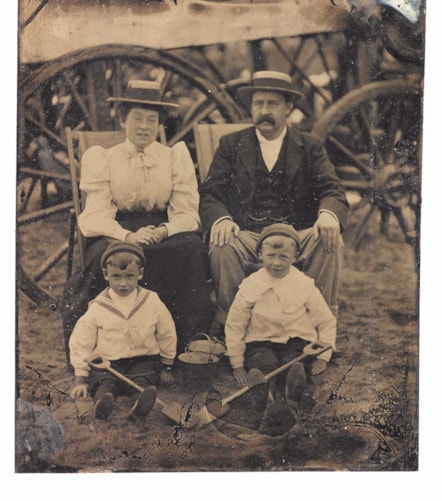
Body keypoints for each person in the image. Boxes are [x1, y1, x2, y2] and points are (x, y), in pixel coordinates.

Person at [61, 80, 213, 357]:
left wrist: (165, 231)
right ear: (122, 121)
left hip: (163, 228)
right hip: (117, 229)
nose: (144, 126)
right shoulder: (104, 158)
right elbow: (94, 216)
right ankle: (106, 345)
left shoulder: (173, 157)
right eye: (137, 119)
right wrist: (128, 237)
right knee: (108, 256)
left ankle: (184, 343)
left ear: (159, 124)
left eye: (151, 120)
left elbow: (188, 213)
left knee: (191, 247)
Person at [199, 70, 349, 334]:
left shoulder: (309, 146)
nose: (264, 111)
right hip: (246, 234)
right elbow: (211, 192)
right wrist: (222, 219)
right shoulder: (231, 145)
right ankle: (232, 327)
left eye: (273, 104)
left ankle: (321, 327)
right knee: (222, 244)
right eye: (258, 104)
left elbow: (332, 189)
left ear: (288, 108)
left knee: (330, 240)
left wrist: (328, 215)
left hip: (296, 234)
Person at [224, 224, 336, 434]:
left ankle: (295, 392)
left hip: (297, 341)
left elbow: (326, 321)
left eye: (284, 257)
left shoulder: (303, 284)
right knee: (263, 363)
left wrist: (324, 356)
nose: (276, 263)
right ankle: (263, 391)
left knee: (297, 364)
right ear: (260, 255)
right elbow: (235, 324)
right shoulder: (251, 284)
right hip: (260, 342)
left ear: (295, 257)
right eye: (271, 256)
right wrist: (237, 363)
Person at [69, 241, 177, 422]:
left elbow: (167, 332)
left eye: (129, 276)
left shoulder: (151, 301)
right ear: (106, 275)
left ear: (140, 274)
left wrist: (167, 364)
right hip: (109, 362)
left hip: (142, 359)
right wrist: (81, 377)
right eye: (116, 277)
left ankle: (139, 405)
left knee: (142, 379)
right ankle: (103, 402)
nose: (123, 284)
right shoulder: (99, 306)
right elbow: (82, 340)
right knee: (104, 381)